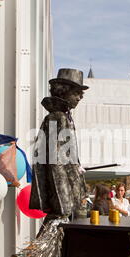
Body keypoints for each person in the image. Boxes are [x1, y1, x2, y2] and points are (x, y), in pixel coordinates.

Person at [30, 68, 88, 225]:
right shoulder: (58, 118)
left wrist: (76, 166)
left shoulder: (59, 117)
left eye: (81, 94)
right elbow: (56, 163)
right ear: (63, 92)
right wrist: (63, 205)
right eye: (76, 93)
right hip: (61, 203)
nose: (80, 97)